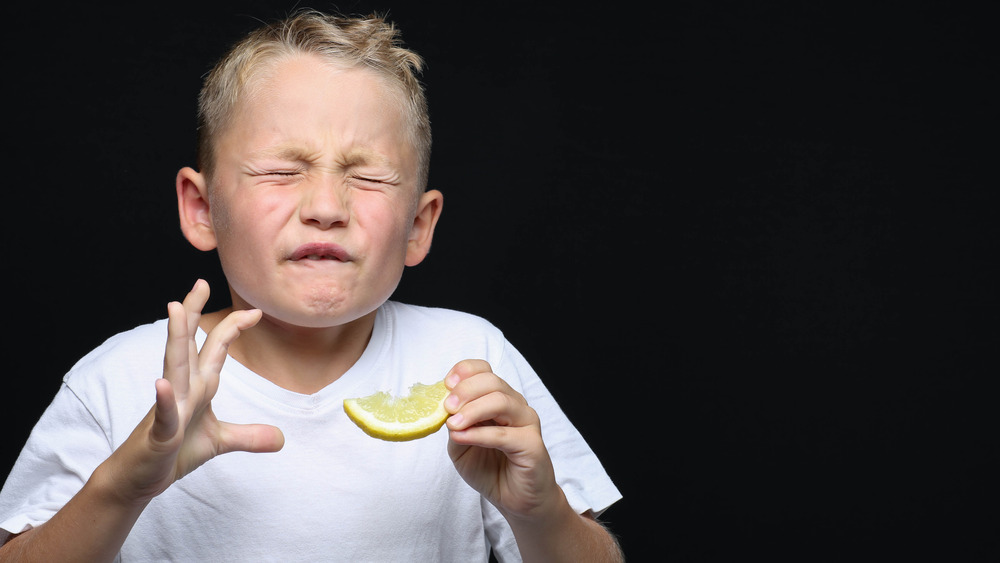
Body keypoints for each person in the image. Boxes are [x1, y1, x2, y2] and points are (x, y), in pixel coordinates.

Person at [0, 10, 622, 562]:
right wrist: (124, 484)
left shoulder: (472, 362)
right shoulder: (114, 383)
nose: (326, 206)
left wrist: (539, 513)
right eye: (280, 171)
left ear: (418, 225)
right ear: (201, 208)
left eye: (370, 178)